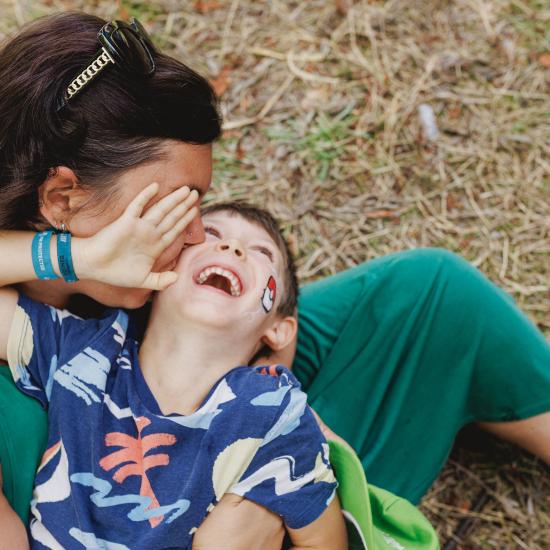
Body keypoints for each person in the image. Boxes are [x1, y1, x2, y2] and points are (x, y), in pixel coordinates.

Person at [1, 10, 549, 550]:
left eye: (200, 205)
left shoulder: (173, 302)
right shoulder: (46, 352)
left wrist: (279, 414)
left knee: (432, 294)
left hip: (221, 406)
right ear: (62, 199)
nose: (198, 235)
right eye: (173, 209)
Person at [0, 199, 347, 549]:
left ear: (280, 330)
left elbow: (326, 543)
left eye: (262, 252)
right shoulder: (82, 347)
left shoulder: (276, 414)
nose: (232, 247)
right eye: (210, 233)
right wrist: (79, 256)